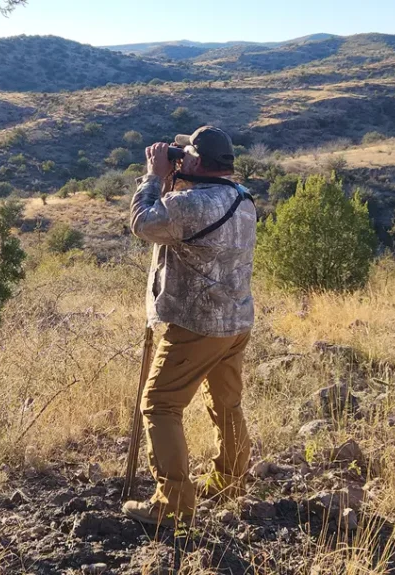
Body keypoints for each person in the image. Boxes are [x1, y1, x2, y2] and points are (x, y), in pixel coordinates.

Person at [123, 126, 257, 527]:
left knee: (160, 405)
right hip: (235, 321)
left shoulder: (190, 204)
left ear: (196, 161)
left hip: (196, 324)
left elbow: (143, 224)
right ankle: (229, 480)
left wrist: (153, 177)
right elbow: (182, 221)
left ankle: (173, 505)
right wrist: (175, 179)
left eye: (186, 156)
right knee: (226, 403)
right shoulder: (242, 198)